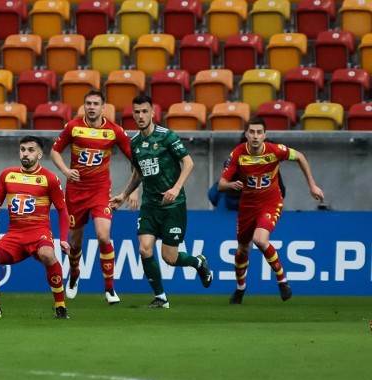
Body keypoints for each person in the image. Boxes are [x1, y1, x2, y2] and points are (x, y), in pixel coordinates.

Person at [110, 95, 213, 308]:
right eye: (136, 112)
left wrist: (176, 188)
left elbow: (188, 163)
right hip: (150, 206)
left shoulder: (167, 137)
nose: (140, 116)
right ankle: (161, 298)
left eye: (144, 111)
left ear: (152, 113)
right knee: (144, 249)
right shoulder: (135, 143)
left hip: (172, 206)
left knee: (170, 258)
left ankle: (198, 263)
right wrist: (126, 193)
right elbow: (138, 172)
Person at [218, 118, 324, 304]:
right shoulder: (238, 154)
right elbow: (220, 185)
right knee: (243, 249)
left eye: (259, 132)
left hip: (270, 202)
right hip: (247, 206)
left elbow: (299, 156)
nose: (255, 136)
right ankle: (240, 288)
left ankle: (282, 281)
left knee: (260, 239)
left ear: (265, 135)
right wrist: (230, 185)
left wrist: (312, 185)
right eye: (252, 132)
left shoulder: (275, 151)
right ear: (246, 134)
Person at [0, 135, 72, 319]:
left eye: (31, 150)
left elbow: (62, 210)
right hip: (14, 236)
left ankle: (60, 306)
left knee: (48, 255)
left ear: (40, 154)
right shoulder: (7, 175)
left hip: (39, 233)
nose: (25, 154)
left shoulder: (49, 179)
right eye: (23, 149)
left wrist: (63, 239)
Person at [49, 90, 135, 304]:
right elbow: (54, 151)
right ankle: (75, 275)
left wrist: (133, 190)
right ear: (84, 106)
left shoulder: (115, 131)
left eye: (96, 103)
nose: (92, 107)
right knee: (75, 243)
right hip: (76, 191)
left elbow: (136, 159)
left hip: (100, 190)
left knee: (103, 236)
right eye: (88, 103)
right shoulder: (73, 127)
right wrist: (66, 172)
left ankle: (109, 288)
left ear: (103, 107)